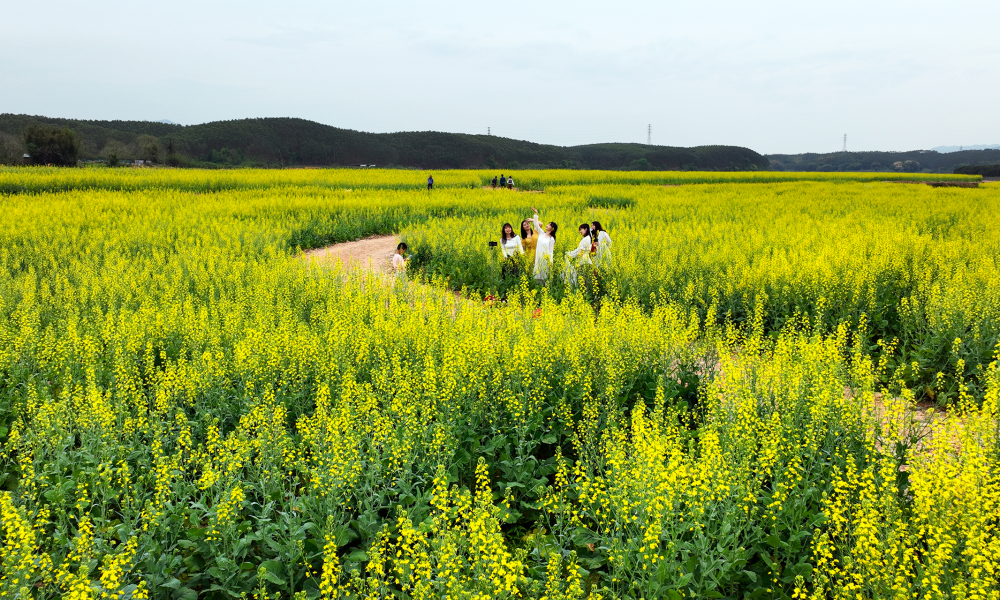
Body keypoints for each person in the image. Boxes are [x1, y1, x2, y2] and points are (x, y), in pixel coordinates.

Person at [529, 207, 557, 282]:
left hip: (545, 259)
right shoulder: (541, 233)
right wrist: (535, 214)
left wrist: (550, 262)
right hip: (538, 258)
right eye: (548, 224)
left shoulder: (551, 239)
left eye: (550, 225)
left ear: (552, 229)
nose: (547, 225)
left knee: (544, 275)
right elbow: (536, 224)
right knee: (537, 274)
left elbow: (551, 251)